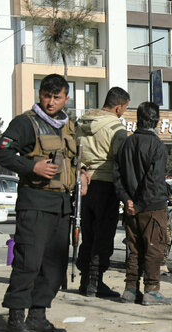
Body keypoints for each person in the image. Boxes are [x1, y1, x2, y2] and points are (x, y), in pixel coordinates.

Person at [0, 73, 87, 332]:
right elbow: (1, 151)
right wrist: (31, 166)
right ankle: (15, 320)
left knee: (54, 266)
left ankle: (37, 316)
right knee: (28, 263)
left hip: (61, 205)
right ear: (40, 95)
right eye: (47, 96)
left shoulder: (68, 126)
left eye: (57, 97)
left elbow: (72, 157)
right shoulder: (26, 123)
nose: (51, 102)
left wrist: (82, 172)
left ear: (66, 98)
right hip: (34, 202)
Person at [113, 102, 172, 305]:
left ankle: (130, 289)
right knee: (154, 248)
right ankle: (151, 290)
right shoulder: (157, 145)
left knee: (134, 249)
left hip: (131, 207)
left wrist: (127, 200)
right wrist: (138, 204)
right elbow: (153, 180)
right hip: (152, 207)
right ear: (156, 120)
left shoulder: (125, 144)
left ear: (138, 119)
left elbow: (117, 176)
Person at [74, 87, 130, 298]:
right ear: (118, 107)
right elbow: (122, 159)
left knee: (87, 235)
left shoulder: (81, 122)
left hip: (83, 183)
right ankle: (95, 283)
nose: (123, 112)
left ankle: (84, 280)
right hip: (106, 184)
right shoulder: (116, 127)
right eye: (124, 108)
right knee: (103, 236)